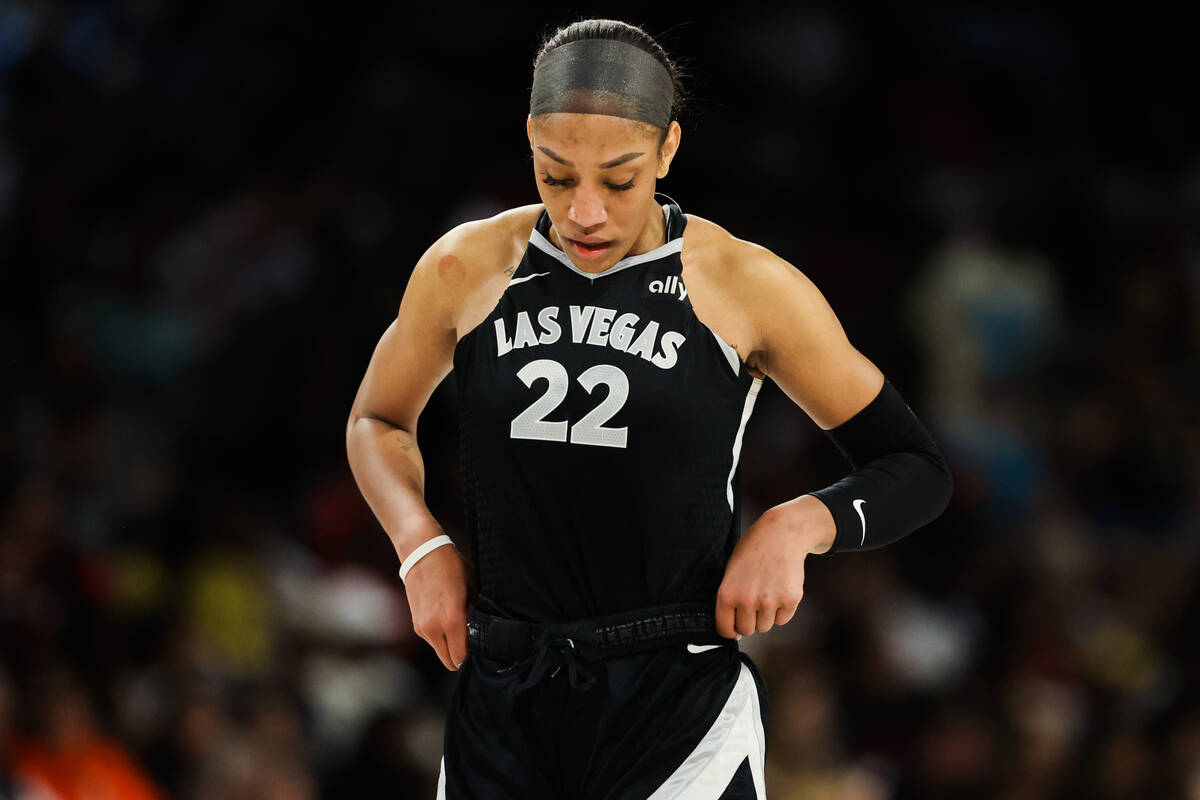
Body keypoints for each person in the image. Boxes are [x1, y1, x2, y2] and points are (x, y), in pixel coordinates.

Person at [345, 18, 953, 799]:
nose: (585, 212)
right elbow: (377, 420)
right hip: (504, 690)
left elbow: (916, 466)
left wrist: (800, 524)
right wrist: (417, 543)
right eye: (556, 175)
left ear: (668, 149)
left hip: (675, 698)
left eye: (620, 179)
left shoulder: (746, 284)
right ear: (531, 141)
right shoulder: (466, 265)